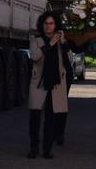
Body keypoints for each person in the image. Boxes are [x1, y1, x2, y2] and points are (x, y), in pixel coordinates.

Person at [28, 10, 71, 159]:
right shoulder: (36, 40)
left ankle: (47, 149)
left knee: (51, 117)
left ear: (56, 25)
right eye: (46, 23)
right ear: (42, 25)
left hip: (55, 83)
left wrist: (63, 43)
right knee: (35, 116)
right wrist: (51, 44)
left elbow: (68, 61)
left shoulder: (61, 42)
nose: (49, 26)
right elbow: (34, 56)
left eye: (51, 23)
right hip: (39, 82)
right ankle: (34, 148)